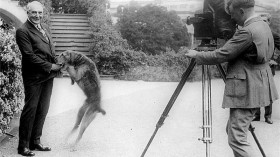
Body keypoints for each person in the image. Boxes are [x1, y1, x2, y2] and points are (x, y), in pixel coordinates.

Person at [184, 0, 278, 156]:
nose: (232, 19)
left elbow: (223, 54)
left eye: (232, 14)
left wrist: (197, 54)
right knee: (233, 131)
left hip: (247, 88)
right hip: (257, 84)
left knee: (237, 139)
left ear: (241, 11)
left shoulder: (247, 31)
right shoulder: (262, 25)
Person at [15, 1, 62, 156]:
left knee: (42, 109)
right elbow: (29, 56)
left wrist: (58, 65)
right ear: (27, 13)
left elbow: (50, 50)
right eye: (34, 12)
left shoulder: (43, 28)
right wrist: (50, 66)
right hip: (33, 77)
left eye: (40, 13)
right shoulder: (23, 31)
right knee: (31, 110)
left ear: (43, 13)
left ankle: (35, 142)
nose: (37, 16)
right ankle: (23, 146)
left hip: (47, 76)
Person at [253, 13, 280, 124]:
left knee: (268, 91)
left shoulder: (273, 34)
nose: (263, 23)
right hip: (255, 67)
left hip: (268, 67)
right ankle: (256, 115)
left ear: (269, 22)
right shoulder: (254, 34)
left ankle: (268, 116)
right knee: (256, 91)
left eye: (265, 21)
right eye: (261, 21)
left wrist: (276, 61)